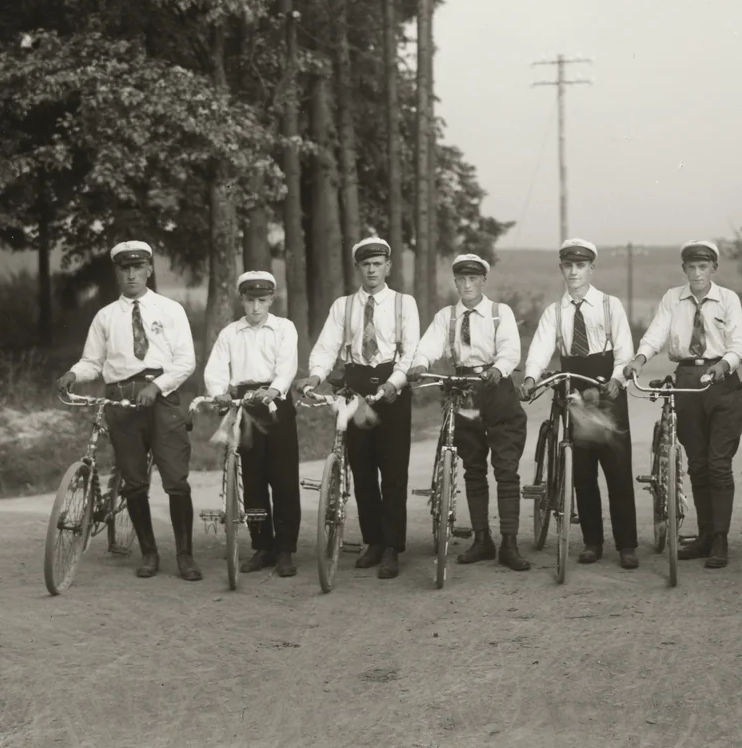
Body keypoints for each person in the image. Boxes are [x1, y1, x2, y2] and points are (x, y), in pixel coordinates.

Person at [55, 241, 201, 581]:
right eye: (125, 268)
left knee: (176, 480)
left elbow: (185, 362)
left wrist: (157, 386)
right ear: (117, 272)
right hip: (121, 402)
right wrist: (75, 373)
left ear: (149, 270)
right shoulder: (106, 317)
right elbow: (93, 361)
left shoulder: (170, 310)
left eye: (138, 267)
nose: (132, 274)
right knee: (134, 482)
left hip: (162, 399)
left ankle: (185, 556)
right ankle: (149, 553)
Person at [293, 237, 420, 580]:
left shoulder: (403, 304)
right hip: (355, 388)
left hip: (392, 387)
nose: (372, 270)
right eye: (366, 264)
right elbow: (325, 347)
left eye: (378, 264)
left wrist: (396, 382)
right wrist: (315, 376)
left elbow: (410, 351)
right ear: (358, 268)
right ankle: (374, 541)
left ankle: (393, 546)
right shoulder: (343, 306)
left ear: (388, 267)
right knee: (361, 470)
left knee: (392, 471)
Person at [623, 240, 742, 569]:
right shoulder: (672, 299)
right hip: (687, 380)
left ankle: (720, 539)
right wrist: (639, 359)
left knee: (719, 463)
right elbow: (656, 333)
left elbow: (739, 345)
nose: (697, 273)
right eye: (691, 267)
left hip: (721, 380)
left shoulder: (728, 300)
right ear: (684, 270)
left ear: (713, 269)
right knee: (697, 463)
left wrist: (723, 365)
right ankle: (705, 535)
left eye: (703, 267)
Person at [520, 238, 639, 570]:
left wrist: (618, 379)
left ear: (591, 268)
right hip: (573, 388)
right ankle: (592, 542)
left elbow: (624, 349)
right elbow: (542, 349)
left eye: (580, 266)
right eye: (568, 266)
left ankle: (627, 545)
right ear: (562, 269)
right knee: (582, 471)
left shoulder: (609, 305)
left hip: (607, 388)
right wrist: (530, 378)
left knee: (617, 469)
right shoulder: (554, 312)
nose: (574, 272)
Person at [406, 254, 529, 572]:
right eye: (462, 279)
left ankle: (510, 544)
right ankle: (482, 539)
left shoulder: (500, 314)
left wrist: (499, 369)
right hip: (462, 389)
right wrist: (421, 363)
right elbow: (428, 346)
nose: (468, 285)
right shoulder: (445, 317)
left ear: (483, 282)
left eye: (473, 279)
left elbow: (511, 350)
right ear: (456, 282)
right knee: (473, 466)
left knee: (505, 468)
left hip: (496, 389)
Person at [203, 271, 301, 578]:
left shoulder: (284, 328)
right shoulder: (231, 333)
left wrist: (274, 389)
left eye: (262, 300)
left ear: (271, 299)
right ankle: (263, 546)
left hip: (275, 403)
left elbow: (287, 365)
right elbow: (216, 368)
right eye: (250, 300)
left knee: (283, 480)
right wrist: (219, 393)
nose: (256, 308)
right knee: (254, 481)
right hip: (245, 406)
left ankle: (285, 549)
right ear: (241, 300)